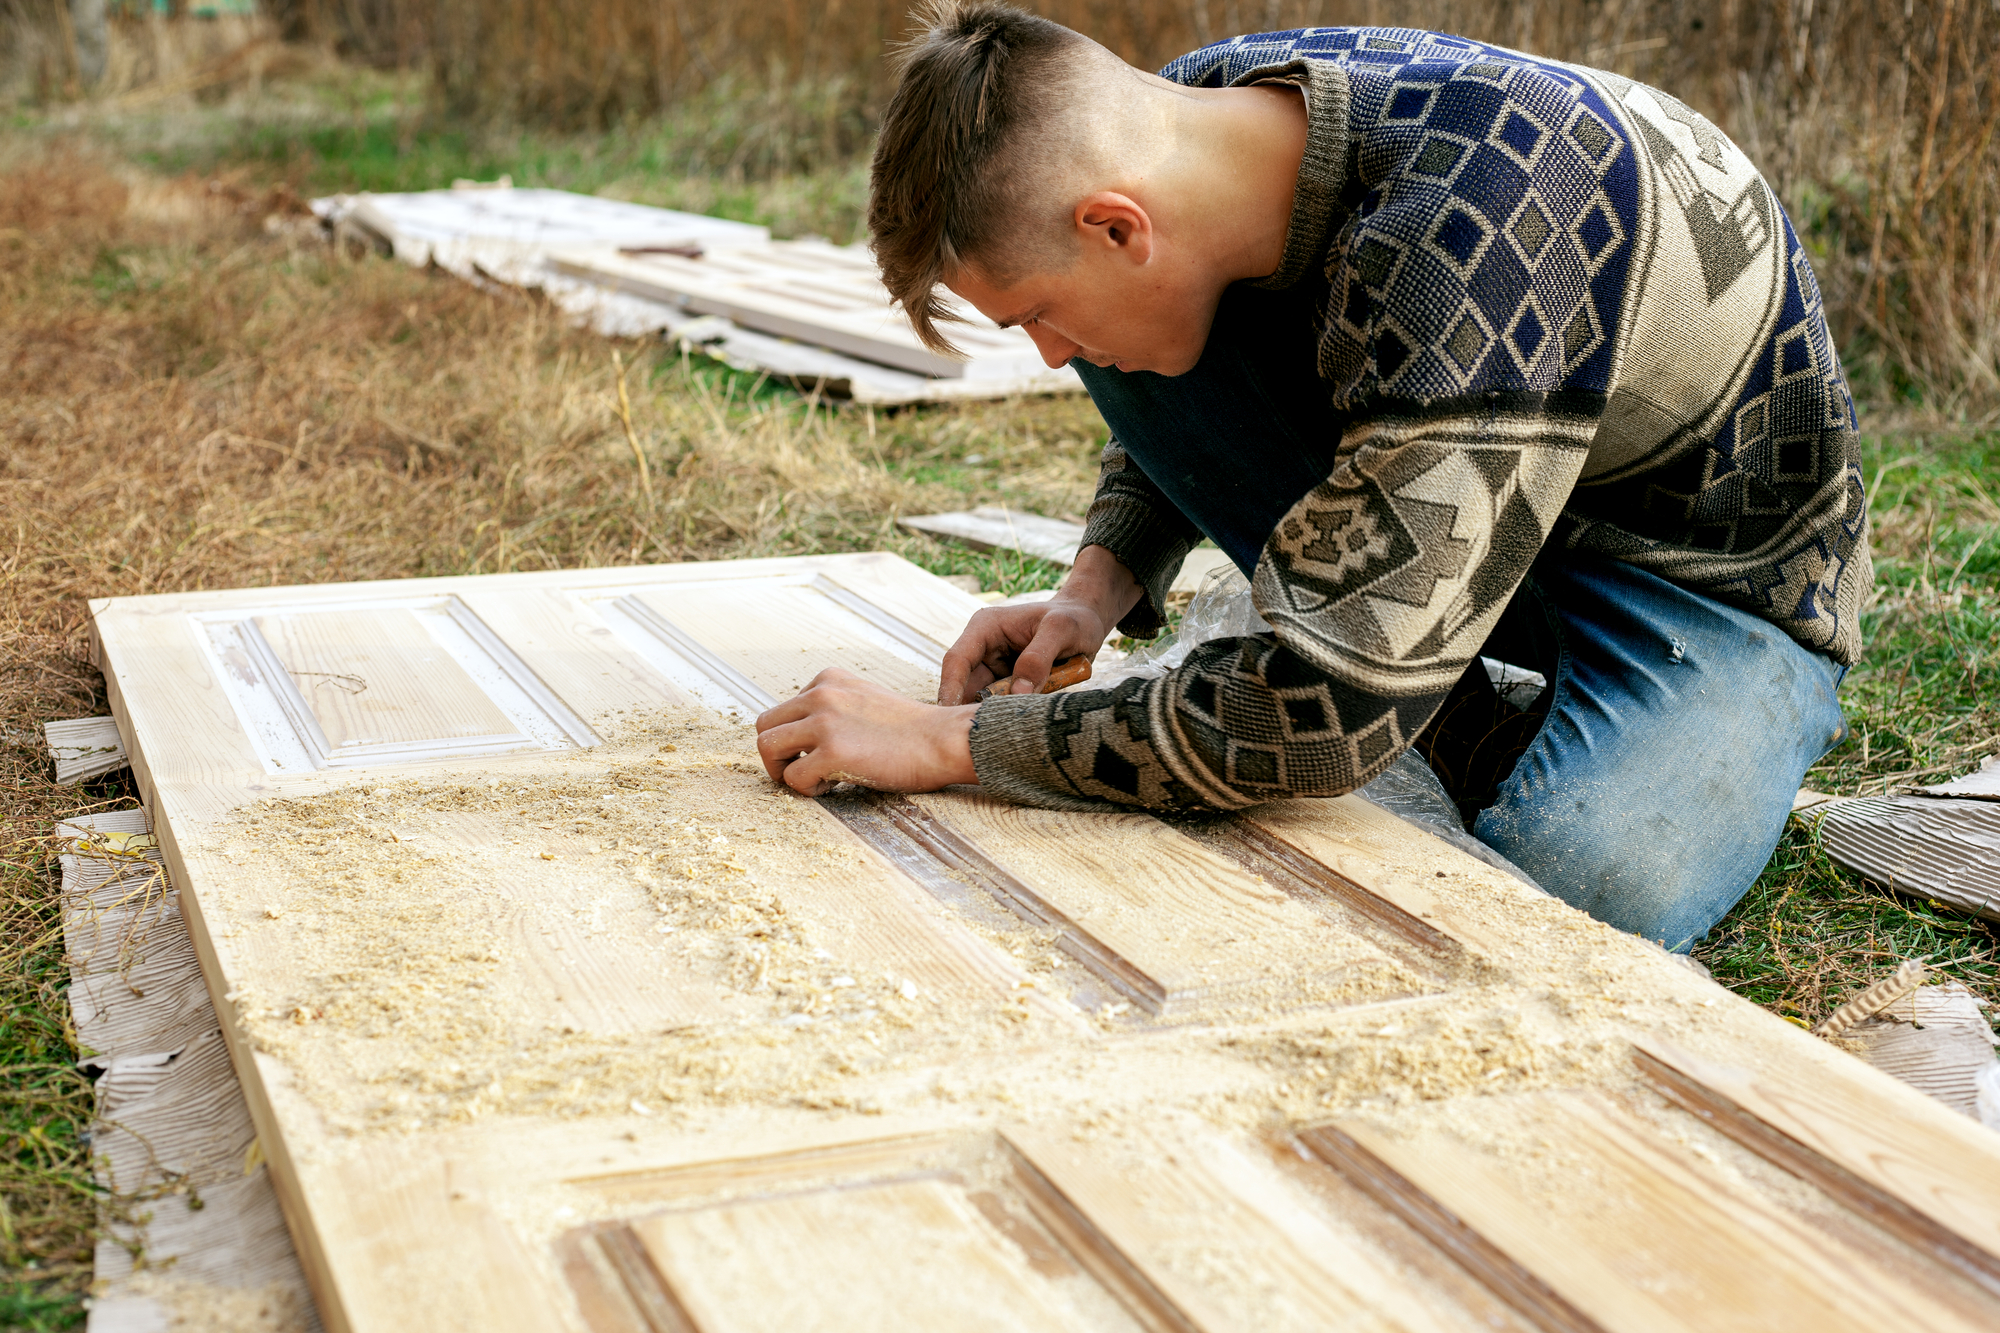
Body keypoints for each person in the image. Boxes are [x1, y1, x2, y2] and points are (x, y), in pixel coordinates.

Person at [753, 3, 1871, 952]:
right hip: (1475, 459)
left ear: (1113, 223)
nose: (1044, 354)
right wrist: (1096, 583)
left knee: (1574, 879)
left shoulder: (1457, 241)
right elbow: (1178, 396)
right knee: (1145, 336)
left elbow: (1315, 726)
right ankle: (1382, 630)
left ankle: (1389, 648)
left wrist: (949, 745)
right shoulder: (1192, 118)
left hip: (1698, 578)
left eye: (1034, 310)